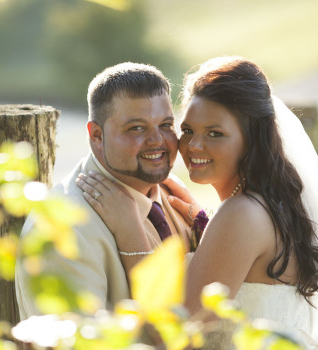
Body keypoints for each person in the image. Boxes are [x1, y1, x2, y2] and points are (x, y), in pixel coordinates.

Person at [76, 57, 318, 349]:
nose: (194, 145)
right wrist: (204, 226)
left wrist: (129, 228)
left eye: (215, 133)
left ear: (252, 139)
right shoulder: (270, 203)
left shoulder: (242, 214)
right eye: (187, 130)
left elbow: (177, 334)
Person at [15, 62, 191, 320]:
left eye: (166, 125)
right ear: (96, 135)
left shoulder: (171, 194)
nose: (157, 141)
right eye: (137, 128)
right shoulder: (63, 232)